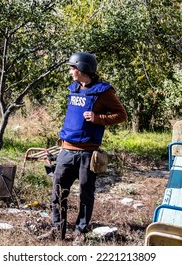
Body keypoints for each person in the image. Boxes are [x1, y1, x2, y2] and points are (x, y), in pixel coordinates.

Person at [38, 52, 127, 244]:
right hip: (66, 150)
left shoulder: (104, 91)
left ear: (82, 69)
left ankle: (81, 231)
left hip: (88, 153)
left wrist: (98, 119)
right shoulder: (74, 88)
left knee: (86, 194)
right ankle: (57, 229)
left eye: (72, 68)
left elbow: (121, 115)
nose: (70, 71)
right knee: (58, 191)